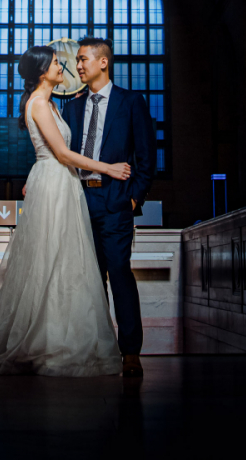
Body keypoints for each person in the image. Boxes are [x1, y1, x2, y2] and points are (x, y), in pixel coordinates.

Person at [0, 45, 130, 376]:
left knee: (63, 261)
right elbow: (62, 154)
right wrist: (109, 168)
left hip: (59, 183)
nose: (64, 68)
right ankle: (45, 341)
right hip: (55, 182)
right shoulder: (40, 105)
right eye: (58, 64)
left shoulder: (52, 105)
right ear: (43, 71)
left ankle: (56, 335)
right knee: (50, 259)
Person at [66, 36, 155, 377]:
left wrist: (133, 198)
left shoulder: (131, 102)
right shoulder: (72, 107)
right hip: (79, 199)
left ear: (103, 62)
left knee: (118, 273)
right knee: (87, 278)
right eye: (77, 60)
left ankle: (130, 352)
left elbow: (146, 157)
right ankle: (94, 347)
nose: (78, 66)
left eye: (83, 58)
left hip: (115, 200)